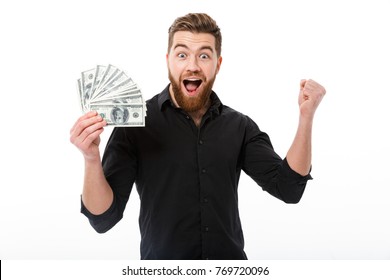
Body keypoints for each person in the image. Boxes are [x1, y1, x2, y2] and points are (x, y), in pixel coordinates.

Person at [70, 13, 326, 260]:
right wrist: (91, 158)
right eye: (182, 55)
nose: (192, 65)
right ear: (169, 60)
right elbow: (103, 218)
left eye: (204, 55)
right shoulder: (135, 126)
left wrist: (306, 117)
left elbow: (289, 188)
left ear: (218, 63)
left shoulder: (240, 127)